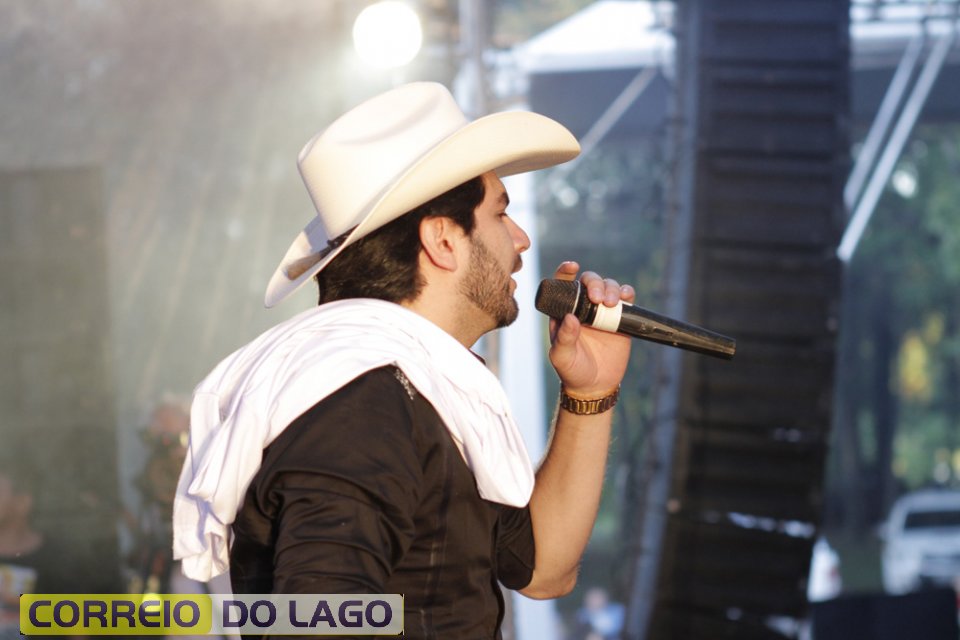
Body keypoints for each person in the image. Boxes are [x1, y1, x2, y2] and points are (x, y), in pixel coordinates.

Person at [173, 82, 634, 638]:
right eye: (500, 213)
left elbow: (543, 570)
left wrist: (590, 393)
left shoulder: (406, 388)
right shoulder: (360, 401)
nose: (521, 239)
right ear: (443, 241)